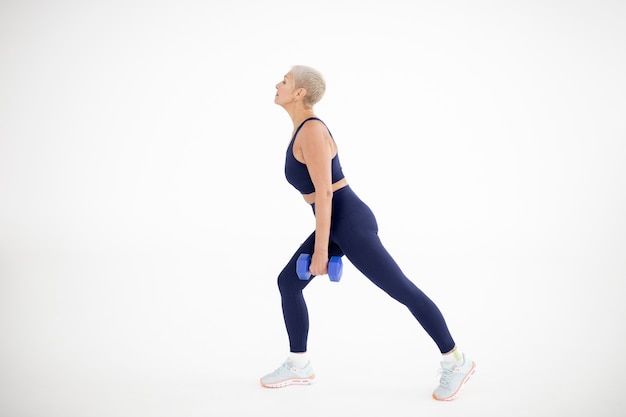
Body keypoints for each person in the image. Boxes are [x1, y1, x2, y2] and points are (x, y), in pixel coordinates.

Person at [260, 65, 476, 401]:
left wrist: (320, 252)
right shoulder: (300, 129)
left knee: (402, 289)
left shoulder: (312, 131)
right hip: (335, 222)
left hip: (349, 222)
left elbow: (326, 192)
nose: (277, 84)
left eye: (285, 81)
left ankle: (456, 359)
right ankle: (299, 364)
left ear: (300, 92)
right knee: (288, 283)